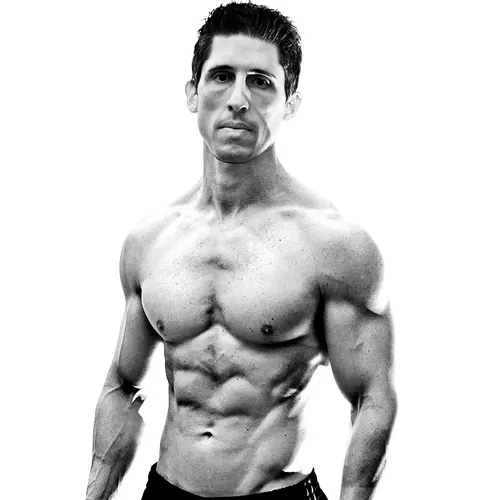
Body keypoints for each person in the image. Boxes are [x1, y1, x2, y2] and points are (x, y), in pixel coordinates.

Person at [85, 2, 397, 499]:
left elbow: (372, 398)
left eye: (261, 82)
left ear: (290, 104)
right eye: (221, 77)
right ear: (192, 93)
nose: (237, 99)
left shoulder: (335, 245)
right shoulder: (150, 240)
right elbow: (123, 385)